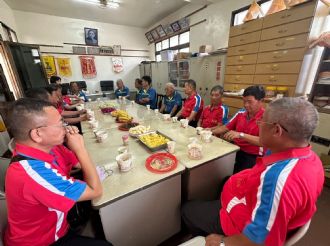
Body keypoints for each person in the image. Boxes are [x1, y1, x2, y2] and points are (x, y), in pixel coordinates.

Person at [182, 97, 324, 246]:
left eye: (262, 121)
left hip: (240, 226)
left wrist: (223, 241)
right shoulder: (311, 158)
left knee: (188, 208)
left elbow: (259, 241)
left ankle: (208, 235)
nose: (259, 124)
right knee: (225, 181)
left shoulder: (278, 181)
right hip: (249, 200)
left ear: (277, 130)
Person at [5, 98, 111, 245]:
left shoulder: (50, 146)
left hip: (57, 225)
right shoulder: (30, 173)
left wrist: (75, 147)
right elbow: (95, 191)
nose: (66, 128)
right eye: (61, 123)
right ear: (37, 134)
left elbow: (81, 164)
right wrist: (80, 148)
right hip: (42, 241)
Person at [212, 85, 265, 173]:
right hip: (236, 148)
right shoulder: (241, 112)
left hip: (252, 155)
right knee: (217, 163)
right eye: (244, 101)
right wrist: (209, 131)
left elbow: (263, 141)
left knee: (239, 175)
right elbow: (225, 127)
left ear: (261, 101)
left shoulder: (266, 117)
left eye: (249, 102)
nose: (246, 105)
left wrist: (240, 135)